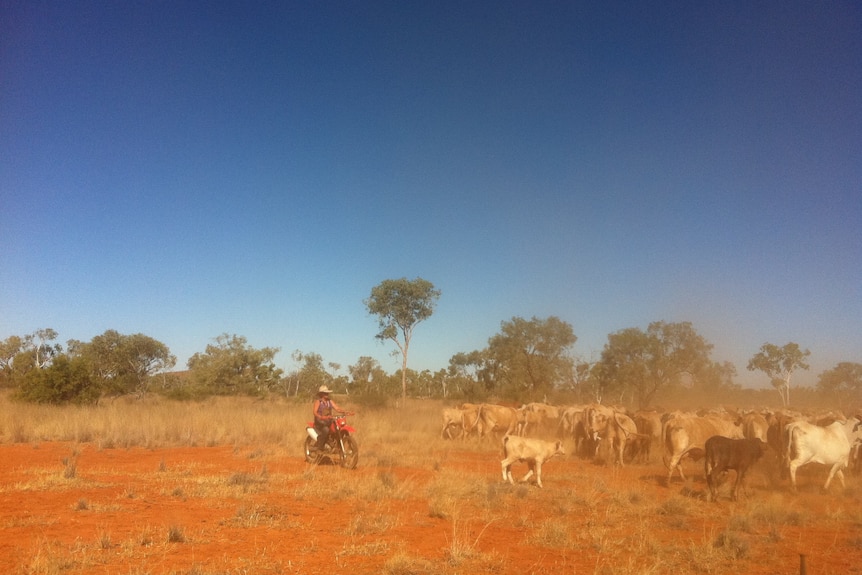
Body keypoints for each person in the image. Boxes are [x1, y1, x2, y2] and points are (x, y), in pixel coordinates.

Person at [311, 385, 348, 452]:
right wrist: (321, 417)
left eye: (327, 393)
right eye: (325, 393)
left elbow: (337, 408)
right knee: (326, 430)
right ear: (321, 394)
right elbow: (314, 412)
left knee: (338, 428)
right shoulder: (318, 402)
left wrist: (345, 412)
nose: (327, 394)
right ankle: (320, 448)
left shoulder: (330, 401)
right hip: (320, 422)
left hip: (328, 421)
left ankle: (336, 446)